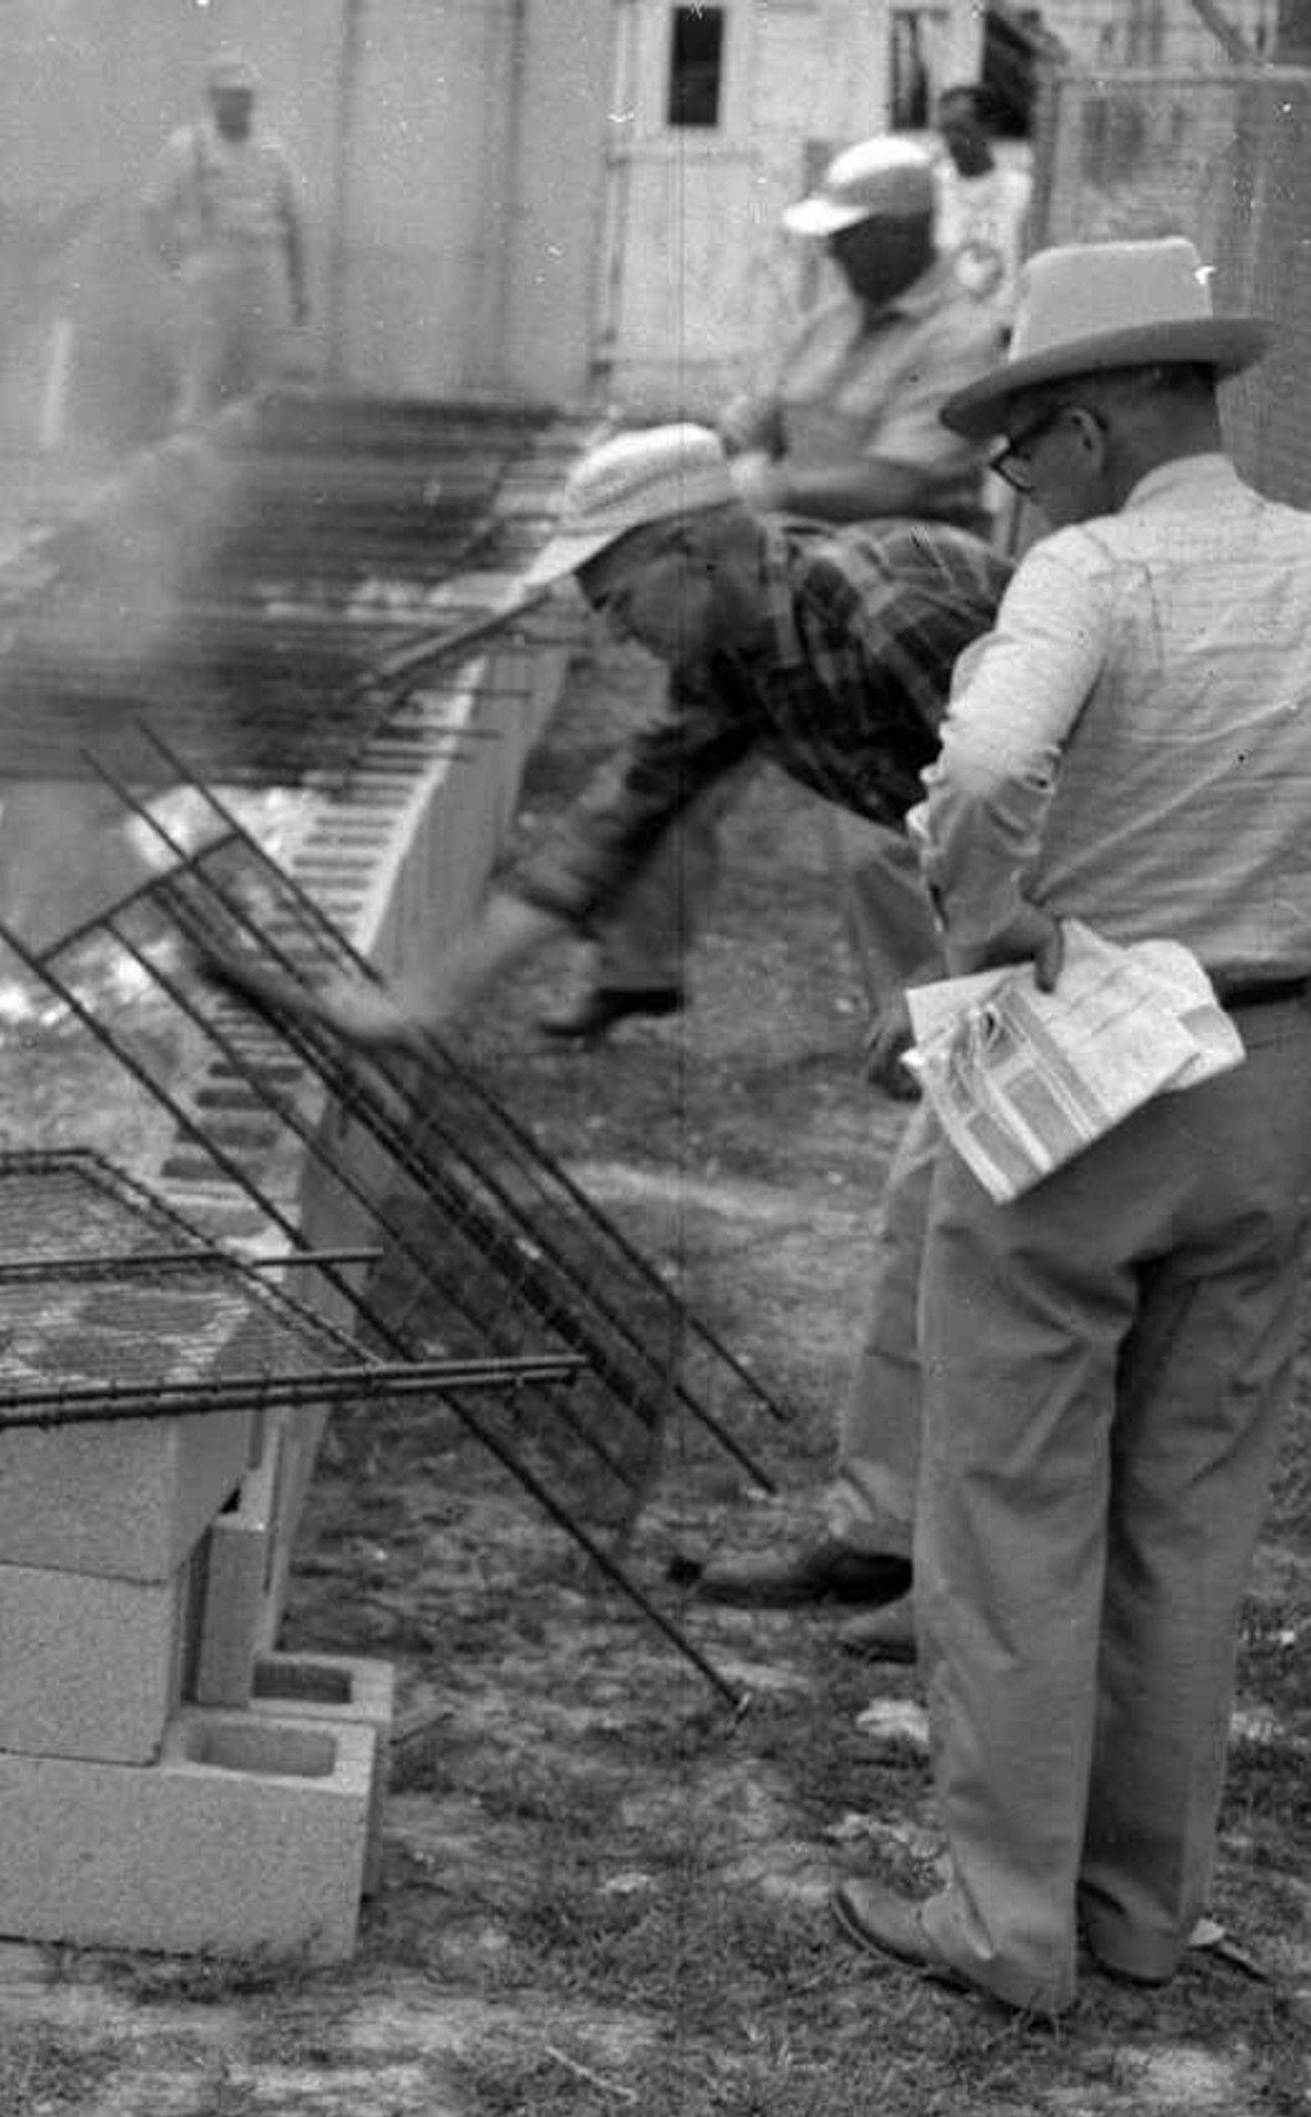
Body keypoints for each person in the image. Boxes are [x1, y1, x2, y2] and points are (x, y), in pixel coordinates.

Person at [831, 235, 1311, 2016]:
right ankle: (1138, 1914)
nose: (1019, 489)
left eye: (1022, 451)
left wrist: (994, 921)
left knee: (1015, 1505)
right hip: (1264, 1077)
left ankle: (1005, 1920)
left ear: (1085, 426)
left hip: (1078, 1076)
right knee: (1190, 1518)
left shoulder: (1092, 577)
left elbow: (991, 766)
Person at [318, 423, 1010, 1660]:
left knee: (1003, 1252)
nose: (606, 626)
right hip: (1001, 928)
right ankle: (891, 1544)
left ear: (691, 552)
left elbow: (1071, 809)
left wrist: (946, 979)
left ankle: (973, 1591)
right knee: (928, 1221)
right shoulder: (739, 647)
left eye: (613, 593)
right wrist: (429, 993)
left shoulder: (887, 608)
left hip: (1102, 935)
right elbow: (621, 815)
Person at [572, 133, 1007, 1049]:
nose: (835, 252)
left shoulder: (961, 337)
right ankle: (636, 971)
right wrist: (677, 478)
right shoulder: (828, 320)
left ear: (905, 231)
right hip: (764, 587)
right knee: (670, 780)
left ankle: (936, 1027)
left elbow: (899, 481)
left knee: (887, 840)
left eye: (850, 236)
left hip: (892, 607)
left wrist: (760, 489)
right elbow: (750, 418)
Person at [139, 50, 307, 429]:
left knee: (260, 377)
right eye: (229, 96)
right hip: (210, 269)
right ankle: (186, 464)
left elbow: (294, 221)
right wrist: (177, 264)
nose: (239, 105)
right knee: (200, 372)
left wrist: (299, 287)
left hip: (262, 271)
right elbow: (152, 210)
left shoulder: (273, 151)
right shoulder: (186, 147)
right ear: (213, 99)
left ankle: (245, 470)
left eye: (245, 97)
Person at [930, 85, 1034, 316]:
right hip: (945, 327)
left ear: (987, 128)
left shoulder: (1021, 190)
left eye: (960, 130)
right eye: (945, 130)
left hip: (1004, 327)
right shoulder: (932, 187)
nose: (951, 141)